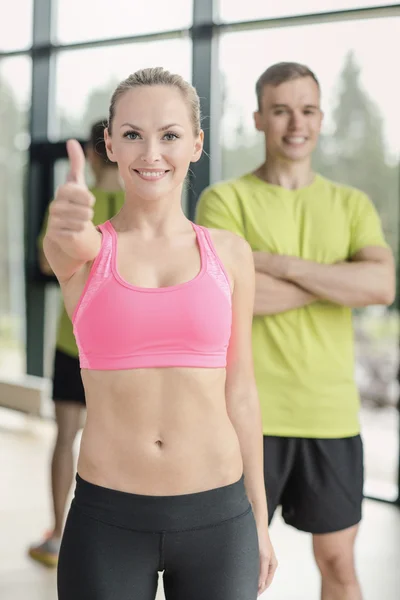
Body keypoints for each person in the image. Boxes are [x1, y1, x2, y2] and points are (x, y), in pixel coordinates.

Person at [42, 67, 277, 600]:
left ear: (196, 144)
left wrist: (260, 519)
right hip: (108, 520)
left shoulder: (230, 253)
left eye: (169, 135)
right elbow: (66, 240)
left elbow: (240, 392)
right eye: (132, 135)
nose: (151, 152)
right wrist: (67, 219)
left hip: (220, 516)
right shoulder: (86, 252)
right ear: (109, 144)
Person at [196, 62, 395, 600]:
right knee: (236, 572)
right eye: (281, 110)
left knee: (339, 564)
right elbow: (228, 295)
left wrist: (273, 265)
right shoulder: (223, 201)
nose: (294, 123)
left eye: (306, 110)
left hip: (329, 416)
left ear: (321, 118)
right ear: (259, 117)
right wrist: (335, 281)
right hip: (245, 415)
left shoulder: (350, 204)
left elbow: (380, 285)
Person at [29, 120, 125, 567]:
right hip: (80, 343)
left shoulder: (88, 202)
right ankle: (67, 533)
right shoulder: (79, 202)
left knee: (73, 438)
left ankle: (66, 535)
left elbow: (49, 266)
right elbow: (49, 265)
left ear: (91, 148)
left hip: (108, 348)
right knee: (85, 438)